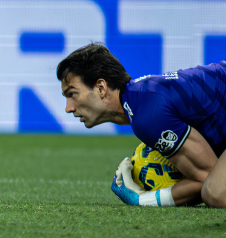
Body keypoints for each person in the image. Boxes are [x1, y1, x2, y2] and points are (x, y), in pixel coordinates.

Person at [57, 43, 226, 207]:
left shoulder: (146, 114)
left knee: (215, 192)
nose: (68, 108)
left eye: (72, 94)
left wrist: (143, 200)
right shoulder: (140, 99)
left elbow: (206, 176)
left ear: (101, 88)